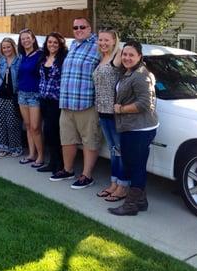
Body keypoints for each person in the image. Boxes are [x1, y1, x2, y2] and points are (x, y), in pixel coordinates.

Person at [50, 17, 101, 189]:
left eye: (82, 27)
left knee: (89, 141)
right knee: (67, 139)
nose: (78, 29)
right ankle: (68, 169)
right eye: (75, 27)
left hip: (86, 103)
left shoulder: (98, 46)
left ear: (90, 28)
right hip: (66, 103)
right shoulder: (73, 44)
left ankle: (86, 176)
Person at [108, 41, 159, 216]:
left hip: (139, 128)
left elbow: (145, 103)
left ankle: (130, 205)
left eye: (131, 55)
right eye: (125, 54)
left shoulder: (140, 75)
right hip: (132, 127)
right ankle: (141, 201)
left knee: (135, 166)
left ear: (139, 57)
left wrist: (121, 109)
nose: (127, 58)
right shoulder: (129, 72)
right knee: (134, 164)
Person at [93, 29, 130, 202]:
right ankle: (114, 183)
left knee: (121, 151)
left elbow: (133, 69)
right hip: (102, 111)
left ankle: (123, 186)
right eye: (100, 40)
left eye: (107, 40)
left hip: (115, 112)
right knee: (113, 150)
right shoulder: (102, 58)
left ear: (114, 41)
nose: (103, 43)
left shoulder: (118, 56)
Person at [37, 32, 68, 174]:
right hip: (44, 99)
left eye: (56, 42)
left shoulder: (63, 60)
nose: (52, 45)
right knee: (48, 132)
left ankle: (60, 164)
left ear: (60, 45)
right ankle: (52, 162)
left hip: (56, 102)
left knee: (55, 133)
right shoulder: (44, 58)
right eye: (50, 42)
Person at [16, 29, 44, 167]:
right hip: (22, 94)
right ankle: (31, 154)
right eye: (23, 39)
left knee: (35, 127)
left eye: (28, 38)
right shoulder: (22, 56)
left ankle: (41, 156)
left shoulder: (40, 55)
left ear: (33, 39)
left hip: (35, 95)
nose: (25, 41)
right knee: (27, 126)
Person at [0, 38, 23, 157]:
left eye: (8, 47)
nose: (6, 49)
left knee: (13, 123)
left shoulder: (20, 60)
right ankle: (1, 146)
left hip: (13, 96)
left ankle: (15, 147)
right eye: (4, 47)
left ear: (13, 46)